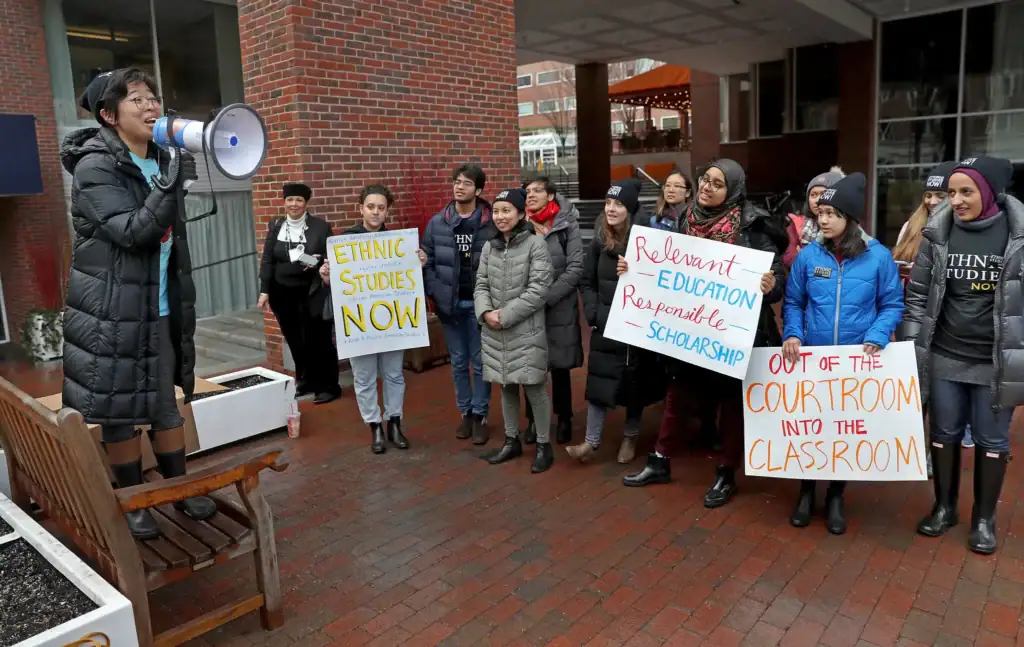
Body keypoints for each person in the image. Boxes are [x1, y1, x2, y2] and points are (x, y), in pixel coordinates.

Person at [61, 68, 214, 540]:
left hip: (161, 308)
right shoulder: (95, 166)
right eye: (136, 99)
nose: (151, 107)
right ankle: (133, 502)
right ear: (108, 115)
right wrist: (169, 187)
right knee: (120, 412)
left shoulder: (162, 158)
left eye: (153, 98)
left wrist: (172, 180)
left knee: (167, 405)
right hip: (112, 312)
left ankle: (178, 489)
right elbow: (132, 231)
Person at [621, 160, 786, 508]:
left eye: (718, 184)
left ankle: (727, 471)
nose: (708, 188)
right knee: (677, 393)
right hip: (690, 328)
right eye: (705, 180)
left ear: (734, 190)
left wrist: (769, 285)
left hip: (733, 333)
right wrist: (633, 268)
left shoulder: (753, 226)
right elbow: (663, 266)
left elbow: (777, 280)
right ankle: (660, 460)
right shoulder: (685, 218)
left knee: (730, 402)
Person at [901, 155, 1024, 555]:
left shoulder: (1018, 236)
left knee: (991, 439)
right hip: (945, 356)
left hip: (995, 361)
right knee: (943, 433)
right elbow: (918, 295)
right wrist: (914, 346)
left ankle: (984, 520)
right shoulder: (939, 233)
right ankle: (944, 507)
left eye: (965, 191)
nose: (954, 200)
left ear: (989, 192)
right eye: (951, 192)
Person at [782, 172, 905, 534]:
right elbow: (794, 301)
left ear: (850, 218)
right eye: (821, 213)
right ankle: (806, 492)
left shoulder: (878, 258)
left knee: (843, 433)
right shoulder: (809, 257)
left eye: (832, 214)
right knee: (810, 429)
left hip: (854, 366)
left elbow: (892, 303)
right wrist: (792, 333)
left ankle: (836, 495)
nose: (823, 220)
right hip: (814, 362)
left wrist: (879, 334)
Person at [565, 179, 664, 465]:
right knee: (599, 382)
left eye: (618, 204)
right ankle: (590, 442)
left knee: (634, 384)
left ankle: (630, 438)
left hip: (635, 328)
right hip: (606, 325)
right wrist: (594, 314)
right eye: (608, 203)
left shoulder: (646, 241)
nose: (611, 208)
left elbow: (658, 283)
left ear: (630, 209)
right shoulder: (599, 240)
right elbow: (587, 280)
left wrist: (636, 271)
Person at [320, 185, 409, 454]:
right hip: (359, 323)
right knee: (364, 377)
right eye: (371, 206)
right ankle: (375, 426)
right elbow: (337, 284)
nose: (375, 212)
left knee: (394, 375)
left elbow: (407, 280)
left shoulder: (398, 243)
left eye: (381, 207)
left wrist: (418, 262)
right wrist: (327, 276)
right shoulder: (345, 243)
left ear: (387, 211)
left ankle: (395, 422)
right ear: (361, 208)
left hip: (391, 321)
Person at [474, 188, 555, 472]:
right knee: (506, 386)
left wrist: (504, 315)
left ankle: (544, 445)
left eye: (507, 210)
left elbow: (539, 290)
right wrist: (485, 312)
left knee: (534, 388)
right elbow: (481, 284)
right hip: (495, 330)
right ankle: (511, 440)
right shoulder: (488, 247)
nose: (500, 216)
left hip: (526, 330)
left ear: (521, 214)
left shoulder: (536, 245)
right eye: (496, 211)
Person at [891, 161, 963, 470]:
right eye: (928, 195)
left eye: (939, 195)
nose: (932, 202)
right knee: (912, 385)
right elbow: (895, 263)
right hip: (912, 313)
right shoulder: (911, 225)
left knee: (940, 389)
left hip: (948, 317)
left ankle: (935, 451)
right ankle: (909, 448)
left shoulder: (960, 227)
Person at [420, 164, 496, 445]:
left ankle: (480, 414)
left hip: (480, 306)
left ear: (478, 190)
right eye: (456, 182)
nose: (459, 187)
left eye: (466, 183)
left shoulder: (489, 223)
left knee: (480, 363)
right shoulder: (438, 222)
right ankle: (465, 412)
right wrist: (435, 290)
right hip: (449, 306)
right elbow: (425, 258)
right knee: (458, 363)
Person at [257, 182, 340, 404]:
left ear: (306, 203)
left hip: (311, 291)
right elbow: (268, 259)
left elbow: (327, 258)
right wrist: (265, 290)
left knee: (319, 338)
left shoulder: (320, 227)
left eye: (299, 200)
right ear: (284, 202)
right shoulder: (276, 225)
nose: (294, 204)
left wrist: (310, 260)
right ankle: (306, 380)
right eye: (290, 200)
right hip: (281, 293)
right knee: (295, 340)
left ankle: (329, 386)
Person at [520, 176, 584, 446]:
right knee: (530, 365)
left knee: (559, 365)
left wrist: (546, 297)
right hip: (527, 309)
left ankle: (565, 417)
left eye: (538, 190)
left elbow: (575, 267)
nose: (531, 195)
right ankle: (534, 420)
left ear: (551, 195)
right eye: (528, 191)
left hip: (559, 306)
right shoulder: (519, 225)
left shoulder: (566, 223)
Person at [783, 167, 845, 268]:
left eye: (823, 194)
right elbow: (788, 258)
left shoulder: (846, 226)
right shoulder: (797, 225)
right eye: (813, 195)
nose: (817, 200)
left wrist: (804, 256)